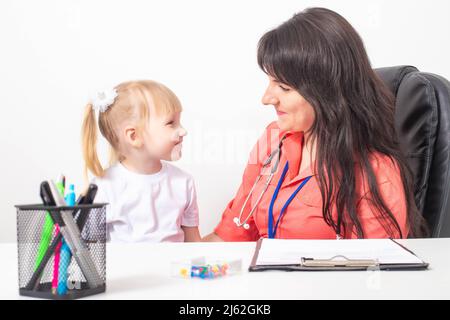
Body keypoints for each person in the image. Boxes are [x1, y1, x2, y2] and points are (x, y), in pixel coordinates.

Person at [203, 7, 428, 241]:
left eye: (284, 87)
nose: (266, 98)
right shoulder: (273, 140)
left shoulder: (377, 172)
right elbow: (234, 231)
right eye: (269, 83)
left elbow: (374, 267)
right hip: (264, 276)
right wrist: (177, 257)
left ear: (326, 91)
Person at [81, 80, 201, 242]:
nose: (183, 131)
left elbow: (193, 243)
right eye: (171, 123)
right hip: (125, 268)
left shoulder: (184, 182)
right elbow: (92, 250)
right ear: (134, 136)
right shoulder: (103, 188)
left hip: (171, 267)